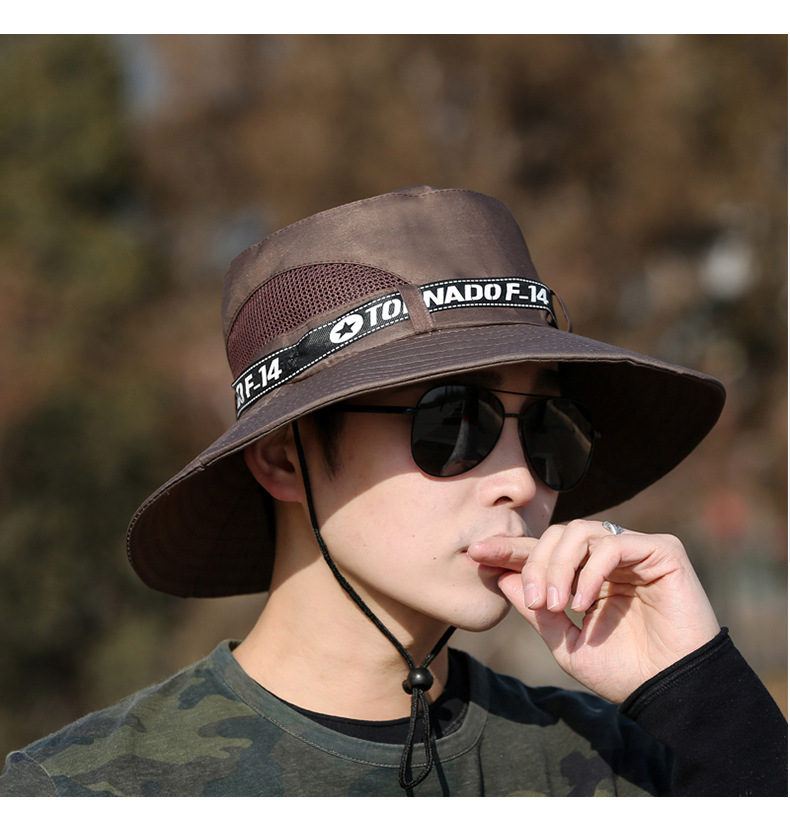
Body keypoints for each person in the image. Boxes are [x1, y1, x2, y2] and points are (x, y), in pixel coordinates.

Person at [1, 186, 786, 797]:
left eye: (551, 430)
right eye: (455, 421)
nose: (520, 480)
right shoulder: (84, 790)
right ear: (282, 458)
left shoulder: (619, 767)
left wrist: (699, 690)